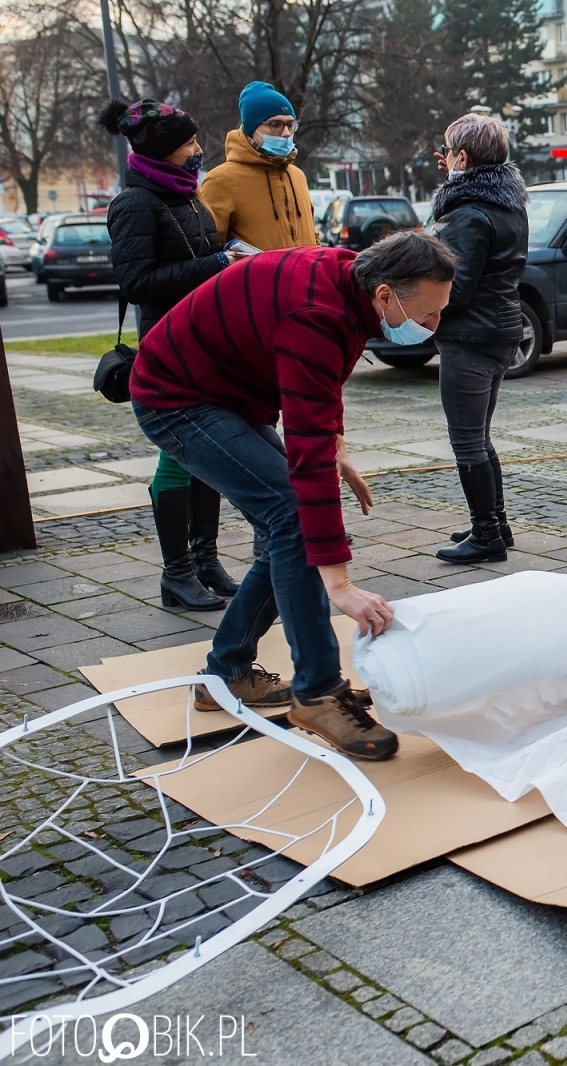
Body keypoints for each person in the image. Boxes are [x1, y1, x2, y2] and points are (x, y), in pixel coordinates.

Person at [128, 231, 458, 761]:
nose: (434, 326)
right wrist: (340, 584)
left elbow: (325, 383)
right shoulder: (317, 314)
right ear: (385, 295)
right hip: (177, 398)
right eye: (430, 314)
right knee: (292, 516)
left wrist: (337, 446)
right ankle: (317, 692)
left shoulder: (351, 282)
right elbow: (306, 459)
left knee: (288, 525)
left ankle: (226, 673)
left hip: (223, 392)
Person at [97, 98, 243, 612]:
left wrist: (229, 258)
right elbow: (137, 282)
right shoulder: (134, 203)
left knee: (205, 456)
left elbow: (198, 255)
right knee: (181, 455)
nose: (198, 149)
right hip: (170, 348)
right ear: (163, 149)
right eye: (188, 143)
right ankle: (176, 573)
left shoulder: (187, 193)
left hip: (205, 341)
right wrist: (218, 263)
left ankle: (205, 562)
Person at [427, 114, 531, 563]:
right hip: (501, 328)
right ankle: (495, 523)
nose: (445, 159)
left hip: (471, 336)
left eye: (449, 152)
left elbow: (459, 285)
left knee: (467, 440)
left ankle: (487, 534)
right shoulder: (508, 204)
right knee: (480, 436)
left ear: (463, 157)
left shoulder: (468, 213)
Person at [198, 81, 318, 253]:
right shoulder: (222, 180)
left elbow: (313, 236)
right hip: (256, 279)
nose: (285, 133)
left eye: (290, 125)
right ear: (251, 130)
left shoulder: (297, 175)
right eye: (275, 125)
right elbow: (207, 250)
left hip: (306, 279)